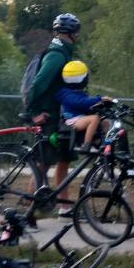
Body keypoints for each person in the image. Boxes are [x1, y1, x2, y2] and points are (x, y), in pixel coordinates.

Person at [25, 13, 80, 210]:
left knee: (64, 160)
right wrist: (32, 113)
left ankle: (64, 208)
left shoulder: (63, 51)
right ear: (72, 33)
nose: (78, 36)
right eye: (76, 32)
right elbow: (38, 84)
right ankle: (29, 211)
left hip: (60, 116)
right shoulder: (56, 54)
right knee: (43, 163)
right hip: (48, 116)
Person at [55, 61, 112, 153]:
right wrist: (99, 98)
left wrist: (100, 104)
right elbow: (80, 102)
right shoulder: (66, 93)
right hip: (72, 121)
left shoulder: (77, 92)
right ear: (82, 78)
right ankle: (86, 145)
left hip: (80, 119)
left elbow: (85, 103)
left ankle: (100, 143)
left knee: (105, 123)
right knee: (94, 119)